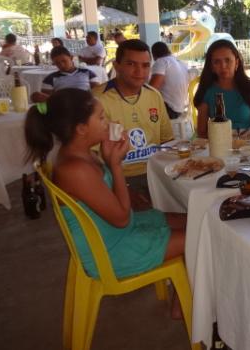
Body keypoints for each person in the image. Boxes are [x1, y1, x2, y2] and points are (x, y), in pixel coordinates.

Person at [24, 89, 186, 300]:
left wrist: (109, 160)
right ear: (81, 128)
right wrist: (116, 165)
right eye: (101, 117)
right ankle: (183, 306)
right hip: (110, 251)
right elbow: (121, 218)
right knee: (201, 236)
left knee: (192, 220)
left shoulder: (83, 154)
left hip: (115, 233)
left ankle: (189, 293)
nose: (107, 121)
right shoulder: (75, 170)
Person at [93, 39, 173, 202]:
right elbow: (90, 155)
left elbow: (167, 140)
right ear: (116, 66)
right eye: (131, 64)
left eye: (145, 66)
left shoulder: (154, 95)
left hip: (156, 173)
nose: (139, 72)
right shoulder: (97, 99)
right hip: (119, 178)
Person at [194, 37, 250, 137]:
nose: (223, 66)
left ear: (236, 63)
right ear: (211, 67)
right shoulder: (207, 91)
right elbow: (202, 133)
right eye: (217, 62)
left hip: (249, 148)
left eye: (228, 60)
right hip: (219, 147)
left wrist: (244, 139)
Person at [30, 46, 99, 103]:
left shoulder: (88, 73)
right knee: (35, 96)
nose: (62, 65)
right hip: (63, 106)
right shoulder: (49, 79)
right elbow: (46, 100)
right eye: (57, 63)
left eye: (64, 61)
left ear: (71, 58)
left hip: (85, 104)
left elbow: (98, 91)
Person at [150, 41, 190, 119]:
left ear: (154, 54)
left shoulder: (161, 62)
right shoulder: (181, 63)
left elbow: (152, 89)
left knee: (138, 106)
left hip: (170, 110)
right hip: (181, 108)